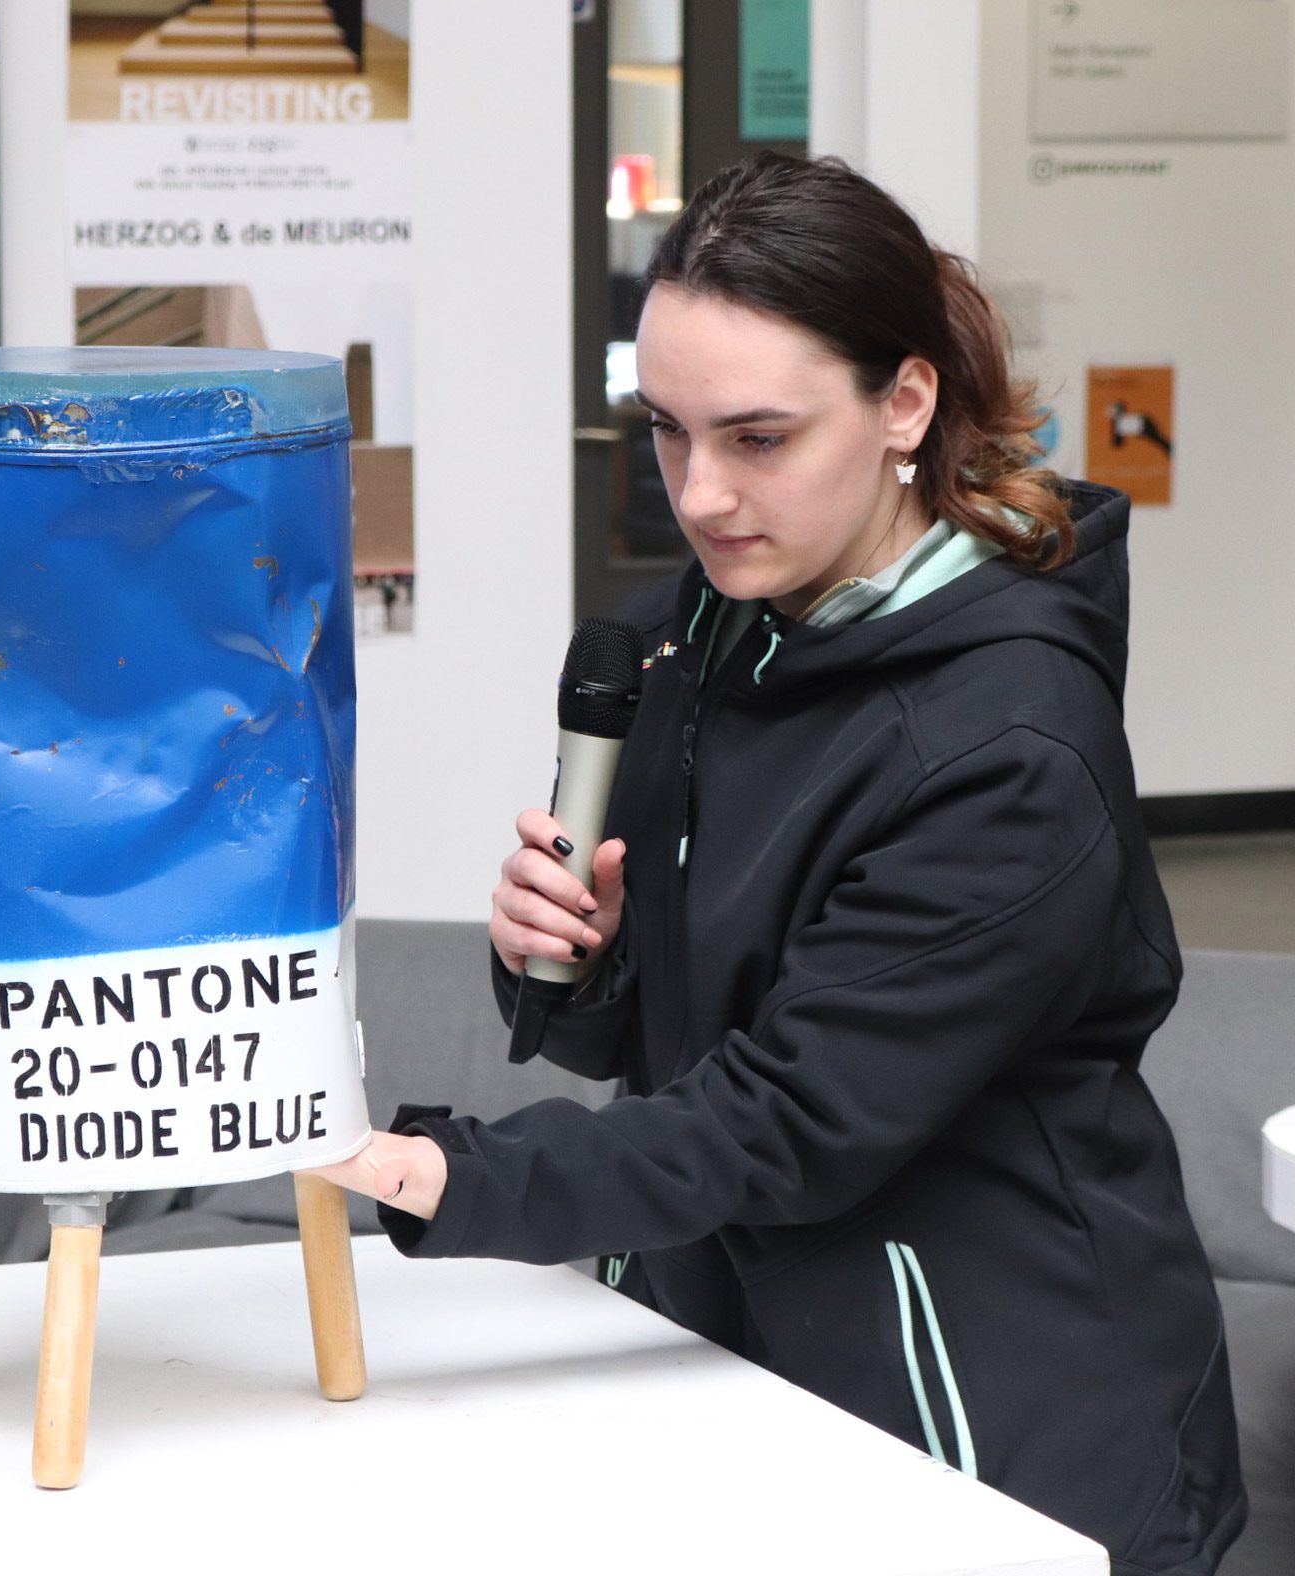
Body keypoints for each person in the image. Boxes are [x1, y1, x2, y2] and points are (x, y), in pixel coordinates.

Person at [303, 151, 1245, 1575]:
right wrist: (586, 952)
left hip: (984, 1423)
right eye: (668, 435)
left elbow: (790, 1121)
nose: (698, 494)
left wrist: (441, 1171)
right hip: (728, 1343)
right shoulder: (716, 624)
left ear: (904, 406)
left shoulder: (1007, 752)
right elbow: (677, 1028)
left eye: (757, 439)